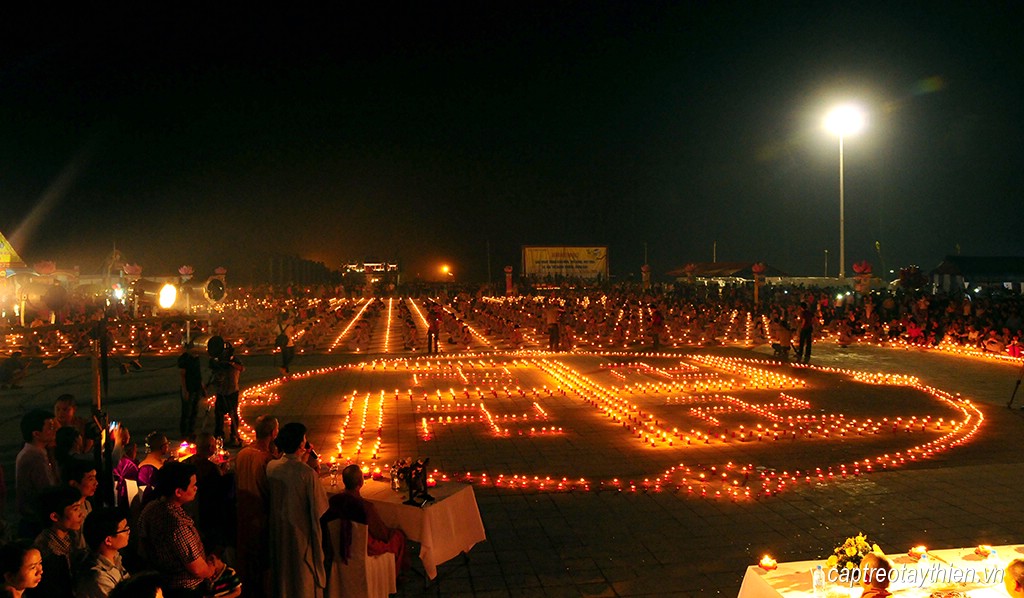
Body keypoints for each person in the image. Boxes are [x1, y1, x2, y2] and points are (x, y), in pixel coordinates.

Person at [137, 461, 225, 597]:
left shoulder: (151, 507)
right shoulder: (177, 524)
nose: (196, 488)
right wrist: (211, 569)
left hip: (161, 581)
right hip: (185, 589)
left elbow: (142, 547)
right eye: (193, 485)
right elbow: (197, 568)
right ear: (178, 491)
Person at [266, 423, 327, 598]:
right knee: (301, 581)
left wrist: (303, 461)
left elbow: (290, 469)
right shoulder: (307, 474)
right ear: (301, 445)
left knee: (284, 575)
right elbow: (320, 508)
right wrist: (313, 469)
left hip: (280, 530)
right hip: (301, 535)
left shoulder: (272, 467)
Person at [324, 464, 409, 580]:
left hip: (341, 545)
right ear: (361, 482)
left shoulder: (334, 501)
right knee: (399, 537)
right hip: (364, 548)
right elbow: (382, 535)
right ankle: (392, 578)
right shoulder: (365, 507)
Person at [234, 416, 277, 598]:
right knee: (261, 569)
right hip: (260, 519)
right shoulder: (266, 459)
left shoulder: (242, 453)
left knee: (246, 565)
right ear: (273, 433)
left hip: (242, 516)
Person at [31, 485, 86, 598]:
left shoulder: (70, 535)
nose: (82, 514)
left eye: (80, 508)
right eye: (75, 509)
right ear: (55, 516)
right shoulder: (47, 550)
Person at [16, 410, 59, 539]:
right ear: (36, 434)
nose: (54, 430)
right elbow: (48, 488)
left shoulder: (36, 451)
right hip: (36, 522)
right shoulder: (34, 456)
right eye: (50, 427)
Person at [75, 508, 130, 598]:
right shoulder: (99, 577)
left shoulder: (115, 558)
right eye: (125, 530)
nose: (129, 532)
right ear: (108, 540)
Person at [210, 345, 244, 446]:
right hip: (221, 392)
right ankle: (219, 435)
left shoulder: (235, 360)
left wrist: (231, 363)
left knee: (233, 414)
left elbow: (241, 368)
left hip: (232, 391)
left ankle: (234, 435)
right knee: (219, 414)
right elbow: (214, 375)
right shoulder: (218, 362)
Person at [176, 342, 205, 439]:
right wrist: (185, 390)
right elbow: (182, 375)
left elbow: (198, 374)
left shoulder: (196, 359)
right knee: (186, 411)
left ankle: (191, 431)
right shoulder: (184, 359)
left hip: (197, 387)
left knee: (195, 410)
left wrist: (202, 387)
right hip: (189, 387)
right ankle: (184, 432)